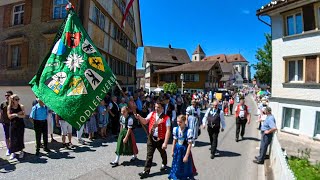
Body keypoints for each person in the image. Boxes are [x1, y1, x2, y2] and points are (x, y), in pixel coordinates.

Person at [135, 101, 171, 179]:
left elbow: (168, 131)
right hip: (151, 138)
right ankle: (146, 171)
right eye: (155, 107)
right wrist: (139, 117)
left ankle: (164, 163)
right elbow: (145, 121)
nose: (156, 109)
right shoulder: (152, 114)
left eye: (158, 107)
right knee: (149, 155)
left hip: (160, 139)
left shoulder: (166, 118)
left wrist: (165, 142)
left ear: (162, 108)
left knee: (162, 152)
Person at [169, 115, 194, 180]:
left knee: (184, 164)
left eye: (180, 122)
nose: (178, 123)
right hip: (177, 149)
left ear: (184, 121)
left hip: (184, 149)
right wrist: (172, 150)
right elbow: (174, 140)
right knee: (176, 163)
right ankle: (175, 176)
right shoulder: (175, 129)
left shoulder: (189, 131)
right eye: (177, 121)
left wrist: (186, 156)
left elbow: (190, 144)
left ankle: (184, 176)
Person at [7, 94, 25, 159]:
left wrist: (16, 115)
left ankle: (21, 151)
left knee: (20, 137)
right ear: (12, 100)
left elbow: (24, 115)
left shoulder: (21, 106)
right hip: (13, 124)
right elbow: (9, 116)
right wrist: (17, 114)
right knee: (12, 138)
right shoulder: (9, 107)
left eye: (18, 99)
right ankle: (13, 152)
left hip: (20, 124)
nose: (18, 100)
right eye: (16, 99)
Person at [0, 90, 13, 156]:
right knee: (7, 136)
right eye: (6, 95)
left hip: (13, 123)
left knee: (13, 136)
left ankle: (13, 149)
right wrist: (2, 121)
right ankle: (8, 149)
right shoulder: (3, 104)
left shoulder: (14, 103)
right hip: (6, 122)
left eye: (8, 95)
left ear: (11, 96)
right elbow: (1, 113)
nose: (7, 97)